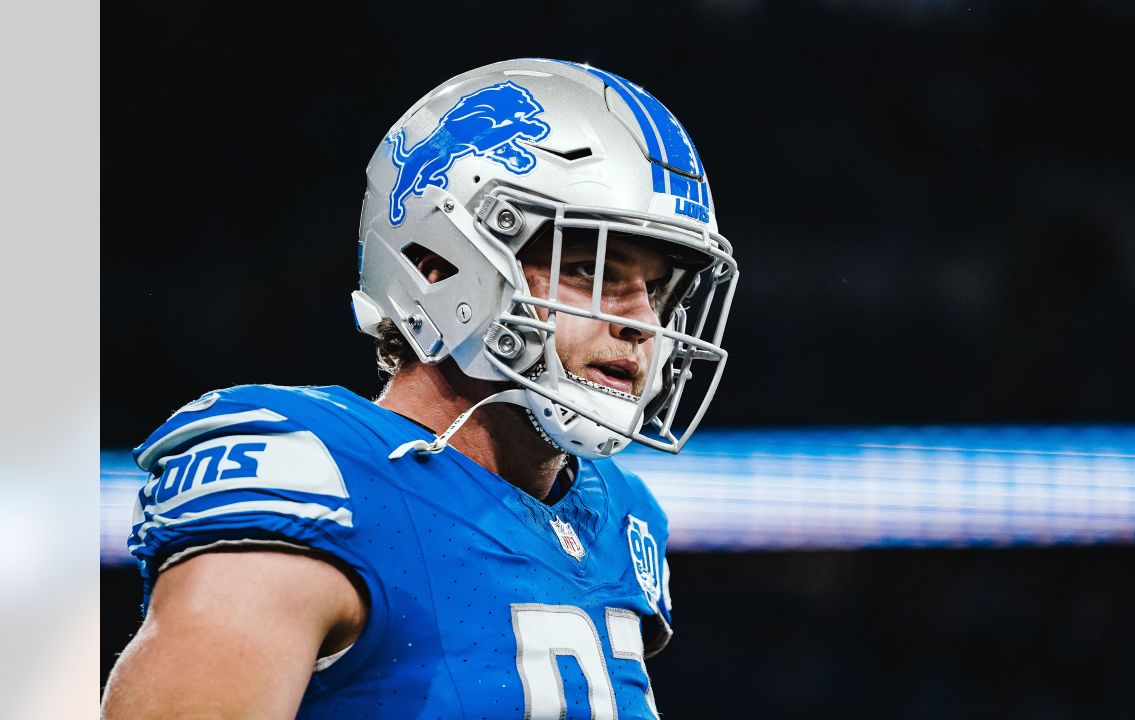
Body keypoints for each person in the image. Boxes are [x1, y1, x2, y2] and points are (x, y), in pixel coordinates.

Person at [102, 58, 739, 719]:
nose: (641, 323)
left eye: (656, 289)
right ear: (439, 268)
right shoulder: (319, 478)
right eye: (588, 270)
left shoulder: (618, 516)